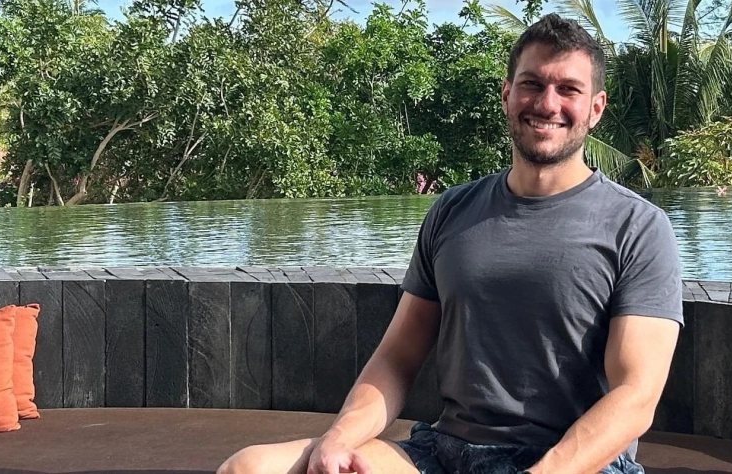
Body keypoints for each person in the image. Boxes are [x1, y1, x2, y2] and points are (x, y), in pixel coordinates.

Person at [217, 13, 683, 474]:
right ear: (506, 94)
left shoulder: (637, 227)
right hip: (447, 453)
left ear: (596, 108)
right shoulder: (452, 211)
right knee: (251, 468)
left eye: (568, 89)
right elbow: (397, 358)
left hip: (575, 463)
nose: (547, 103)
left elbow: (636, 395)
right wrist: (339, 439)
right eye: (532, 84)